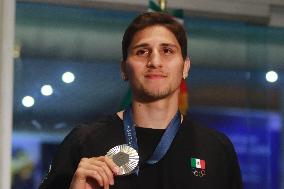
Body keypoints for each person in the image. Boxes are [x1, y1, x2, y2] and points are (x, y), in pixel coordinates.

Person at [39, 12, 243, 189]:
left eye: (167, 51)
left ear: (185, 67)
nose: (155, 61)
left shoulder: (216, 148)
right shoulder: (84, 142)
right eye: (142, 51)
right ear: (124, 69)